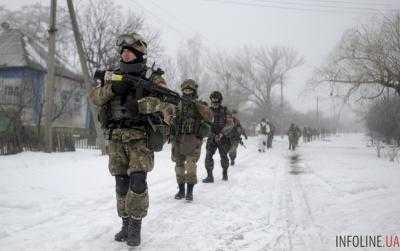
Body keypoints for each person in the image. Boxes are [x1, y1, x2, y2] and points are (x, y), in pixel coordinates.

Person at [89, 32, 169, 247]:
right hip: (116, 137)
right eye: (122, 51)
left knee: (138, 182)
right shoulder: (112, 75)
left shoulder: (152, 77)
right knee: (121, 184)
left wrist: (141, 106)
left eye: (128, 51)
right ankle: (125, 224)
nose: (124, 55)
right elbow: (95, 97)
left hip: (139, 138)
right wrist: (112, 88)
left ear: (138, 54)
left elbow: (167, 104)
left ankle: (135, 227)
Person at [170, 79, 212, 201]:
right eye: (185, 90)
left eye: (189, 90)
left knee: (190, 166)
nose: (187, 92)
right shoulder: (178, 104)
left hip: (193, 140)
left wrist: (196, 105)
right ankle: (181, 190)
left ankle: (190, 191)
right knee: (178, 166)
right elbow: (168, 115)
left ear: (194, 91)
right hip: (178, 139)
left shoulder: (199, 104)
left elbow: (209, 116)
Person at [203, 91, 234, 182]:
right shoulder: (208, 110)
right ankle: (209, 176)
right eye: (213, 99)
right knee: (208, 156)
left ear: (220, 100)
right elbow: (204, 123)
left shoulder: (225, 110)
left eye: (216, 99)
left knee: (223, 156)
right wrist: (210, 133)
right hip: (212, 137)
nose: (214, 101)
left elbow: (230, 124)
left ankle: (225, 173)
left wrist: (221, 133)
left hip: (223, 138)